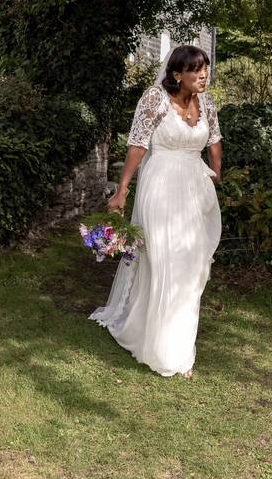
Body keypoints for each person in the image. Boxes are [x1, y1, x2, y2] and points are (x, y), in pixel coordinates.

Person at [89, 44, 222, 379]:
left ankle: (177, 341)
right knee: (165, 263)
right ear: (177, 74)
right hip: (161, 186)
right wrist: (122, 190)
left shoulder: (206, 102)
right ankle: (167, 351)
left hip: (195, 189)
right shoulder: (155, 98)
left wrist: (216, 173)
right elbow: (137, 144)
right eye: (196, 69)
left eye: (205, 67)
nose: (204, 74)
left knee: (193, 269)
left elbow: (214, 140)